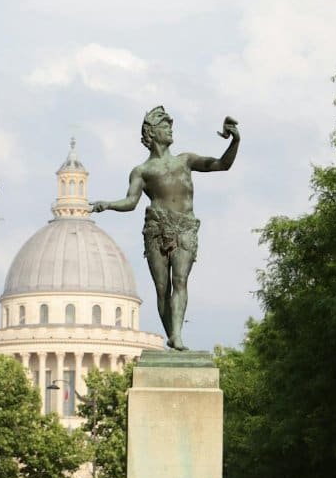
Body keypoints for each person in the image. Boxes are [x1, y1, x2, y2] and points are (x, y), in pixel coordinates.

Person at [91, 106, 240, 350]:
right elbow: (130, 202)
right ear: (151, 134)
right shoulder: (142, 171)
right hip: (156, 231)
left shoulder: (185, 161)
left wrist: (235, 140)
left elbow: (222, 164)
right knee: (163, 289)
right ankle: (171, 333)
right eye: (165, 126)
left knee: (180, 280)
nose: (170, 130)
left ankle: (177, 335)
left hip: (184, 229)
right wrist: (107, 204)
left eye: (170, 126)